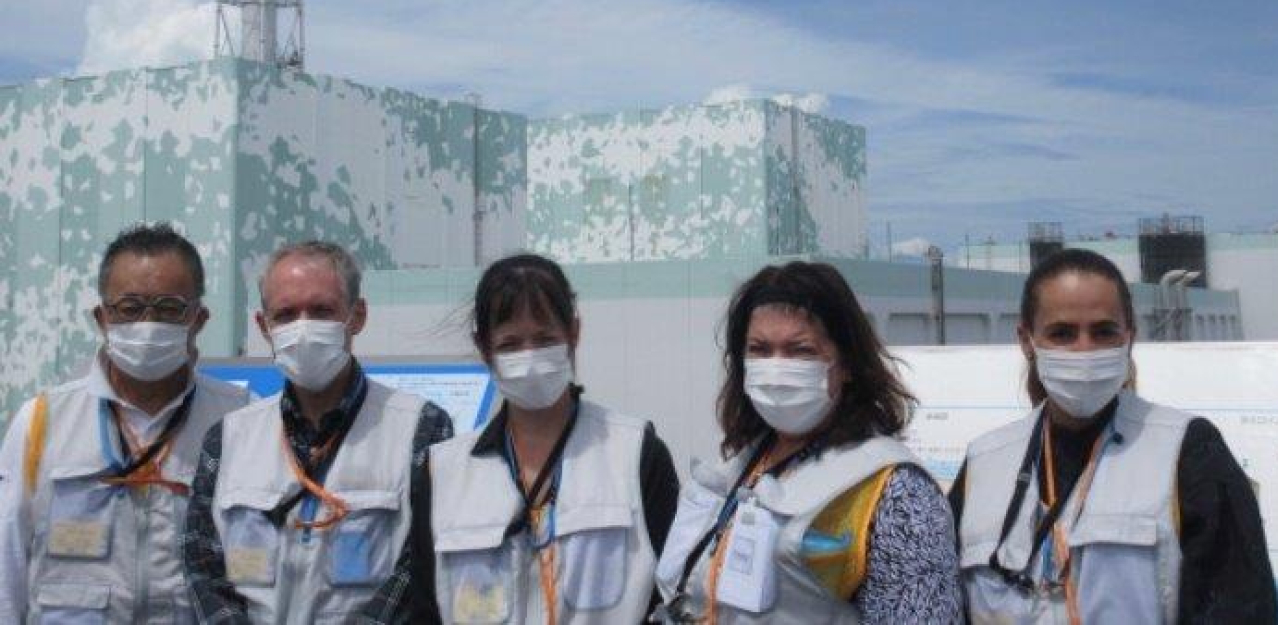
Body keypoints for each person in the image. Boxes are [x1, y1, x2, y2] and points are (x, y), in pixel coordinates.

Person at [949, 247, 1278, 624]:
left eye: (1103, 332)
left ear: (1129, 337)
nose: (1085, 350)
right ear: (1027, 340)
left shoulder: (1187, 450)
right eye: (1062, 333)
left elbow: (1240, 608)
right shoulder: (984, 462)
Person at [654, 261, 962, 623]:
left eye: (801, 351)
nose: (777, 368)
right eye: (760, 349)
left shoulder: (895, 491)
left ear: (846, 364)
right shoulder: (744, 464)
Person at [182, 240, 454, 622]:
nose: (303, 328)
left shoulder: (421, 428)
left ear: (356, 316)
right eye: (286, 314)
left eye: (322, 311)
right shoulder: (228, 437)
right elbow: (200, 562)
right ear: (264, 326)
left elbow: (419, 568)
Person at [0, 222, 250, 622]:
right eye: (130, 308)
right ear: (102, 317)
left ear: (199, 318)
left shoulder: (241, 421)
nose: (148, 323)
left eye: (169, 308)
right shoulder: (41, 422)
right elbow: (7, 564)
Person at [411, 252, 681, 623]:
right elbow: (425, 609)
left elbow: (670, 596)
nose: (530, 358)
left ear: (574, 333)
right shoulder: (442, 471)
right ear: (484, 348)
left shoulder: (636, 453)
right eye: (510, 344)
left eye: (544, 339)